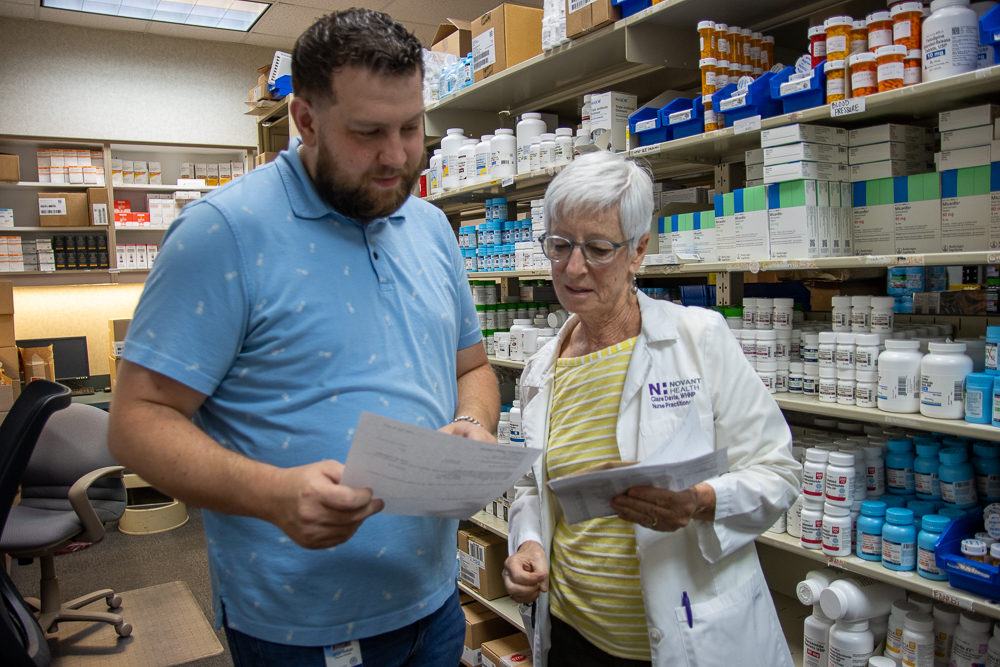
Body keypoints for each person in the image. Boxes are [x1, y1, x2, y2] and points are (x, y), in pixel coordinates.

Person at [107, 9, 499, 667]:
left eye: (411, 128)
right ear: (306, 120)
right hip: (300, 626)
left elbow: (474, 366)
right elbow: (136, 423)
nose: (398, 156)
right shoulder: (223, 233)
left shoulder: (432, 227)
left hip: (433, 600)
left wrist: (472, 421)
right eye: (370, 132)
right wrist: (273, 494)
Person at [501, 151, 800, 667]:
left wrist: (703, 500)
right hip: (571, 636)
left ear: (638, 251)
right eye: (559, 245)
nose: (573, 268)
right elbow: (533, 486)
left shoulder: (698, 339)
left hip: (687, 639)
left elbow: (779, 473)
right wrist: (528, 545)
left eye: (597, 248)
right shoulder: (542, 368)